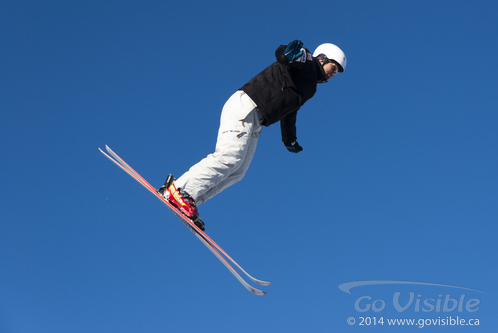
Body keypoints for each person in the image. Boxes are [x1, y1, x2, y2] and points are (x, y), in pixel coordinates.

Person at [159, 40, 347, 230]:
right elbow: (283, 54)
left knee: (238, 172)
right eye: (334, 66)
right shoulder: (305, 60)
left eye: (338, 71)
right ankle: (180, 191)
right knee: (229, 157)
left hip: (257, 120)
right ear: (322, 59)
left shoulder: (310, 87)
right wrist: (290, 54)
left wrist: (289, 139)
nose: (334, 73)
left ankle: (190, 199)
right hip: (247, 106)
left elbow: (290, 111)